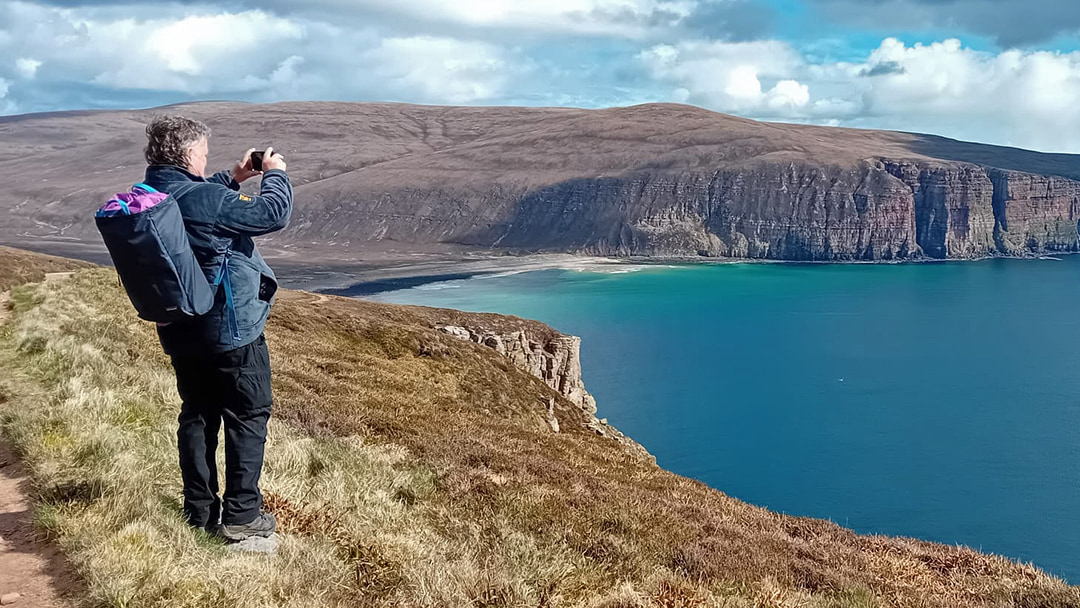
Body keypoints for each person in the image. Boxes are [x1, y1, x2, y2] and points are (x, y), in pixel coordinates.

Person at [140, 115, 292, 542]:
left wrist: (234, 176)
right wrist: (274, 174)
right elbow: (271, 213)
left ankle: (200, 513)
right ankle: (243, 515)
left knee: (198, 415)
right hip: (229, 330)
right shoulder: (200, 196)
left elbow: (199, 207)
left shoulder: (153, 193)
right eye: (204, 152)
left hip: (179, 328)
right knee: (247, 414)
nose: (207, 158)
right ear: (189, 153)